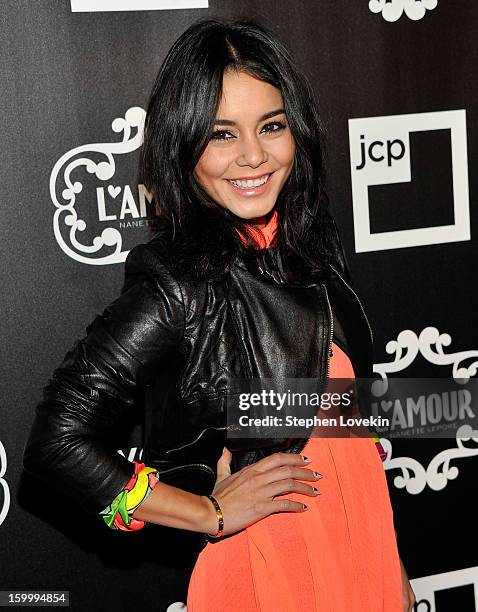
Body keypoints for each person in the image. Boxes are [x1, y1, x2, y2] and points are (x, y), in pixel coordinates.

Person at [23, 17, 416, 611]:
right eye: (221, 134)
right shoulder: (180, 283)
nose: (253, 156)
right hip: (274, 571)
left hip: (368, 558)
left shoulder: (310, 249)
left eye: (271, 126)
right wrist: (209, 512)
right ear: (182, 148)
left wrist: (397, 576)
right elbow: (56, 442)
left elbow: (346, 435)